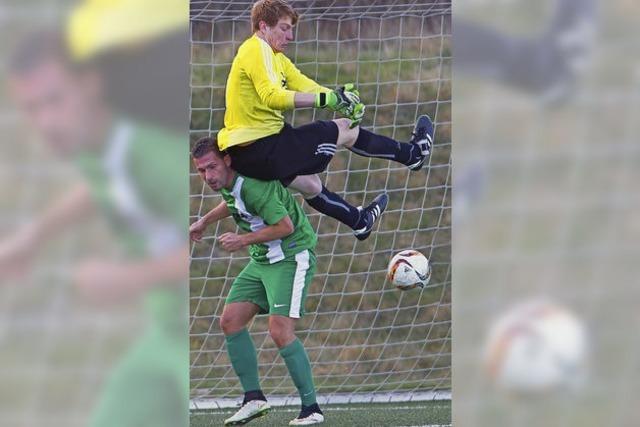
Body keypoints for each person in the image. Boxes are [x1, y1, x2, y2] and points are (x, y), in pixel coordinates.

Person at [4, 29, 188, 427]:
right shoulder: (96, 147)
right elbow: (100, 187)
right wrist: (33, 238)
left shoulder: (154, 154)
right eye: (32, 108)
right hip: (164, 333)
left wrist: (130, 278)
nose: (46, 122)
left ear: (90, 84)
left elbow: (208, 249)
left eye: (54, 100)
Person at [218, 0, 435, 241]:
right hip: (262, 147)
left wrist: (337, 99)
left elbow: (301, 81)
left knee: (310, 185)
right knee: (346, 128)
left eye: (291, 29)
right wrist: (326, 99)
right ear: (263, 26)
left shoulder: (274, 56)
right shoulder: (257, 49)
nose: (290, 36)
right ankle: (413, 154)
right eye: (283, 28)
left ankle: (358, 220)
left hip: (248, 154)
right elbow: (272, 97)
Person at [190, 136, 325, 426]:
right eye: (201, 171)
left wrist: (242, 240)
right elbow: (233, 203)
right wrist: (204, 221)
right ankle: (253, 399)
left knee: (279, 331)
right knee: (230, 321)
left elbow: (285, 225)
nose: (208, 176)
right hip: (262, 260)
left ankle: (311, 408)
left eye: (212, 167)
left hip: (291, 256)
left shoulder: (253, 185)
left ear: (227, 160)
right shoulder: (230, 183)